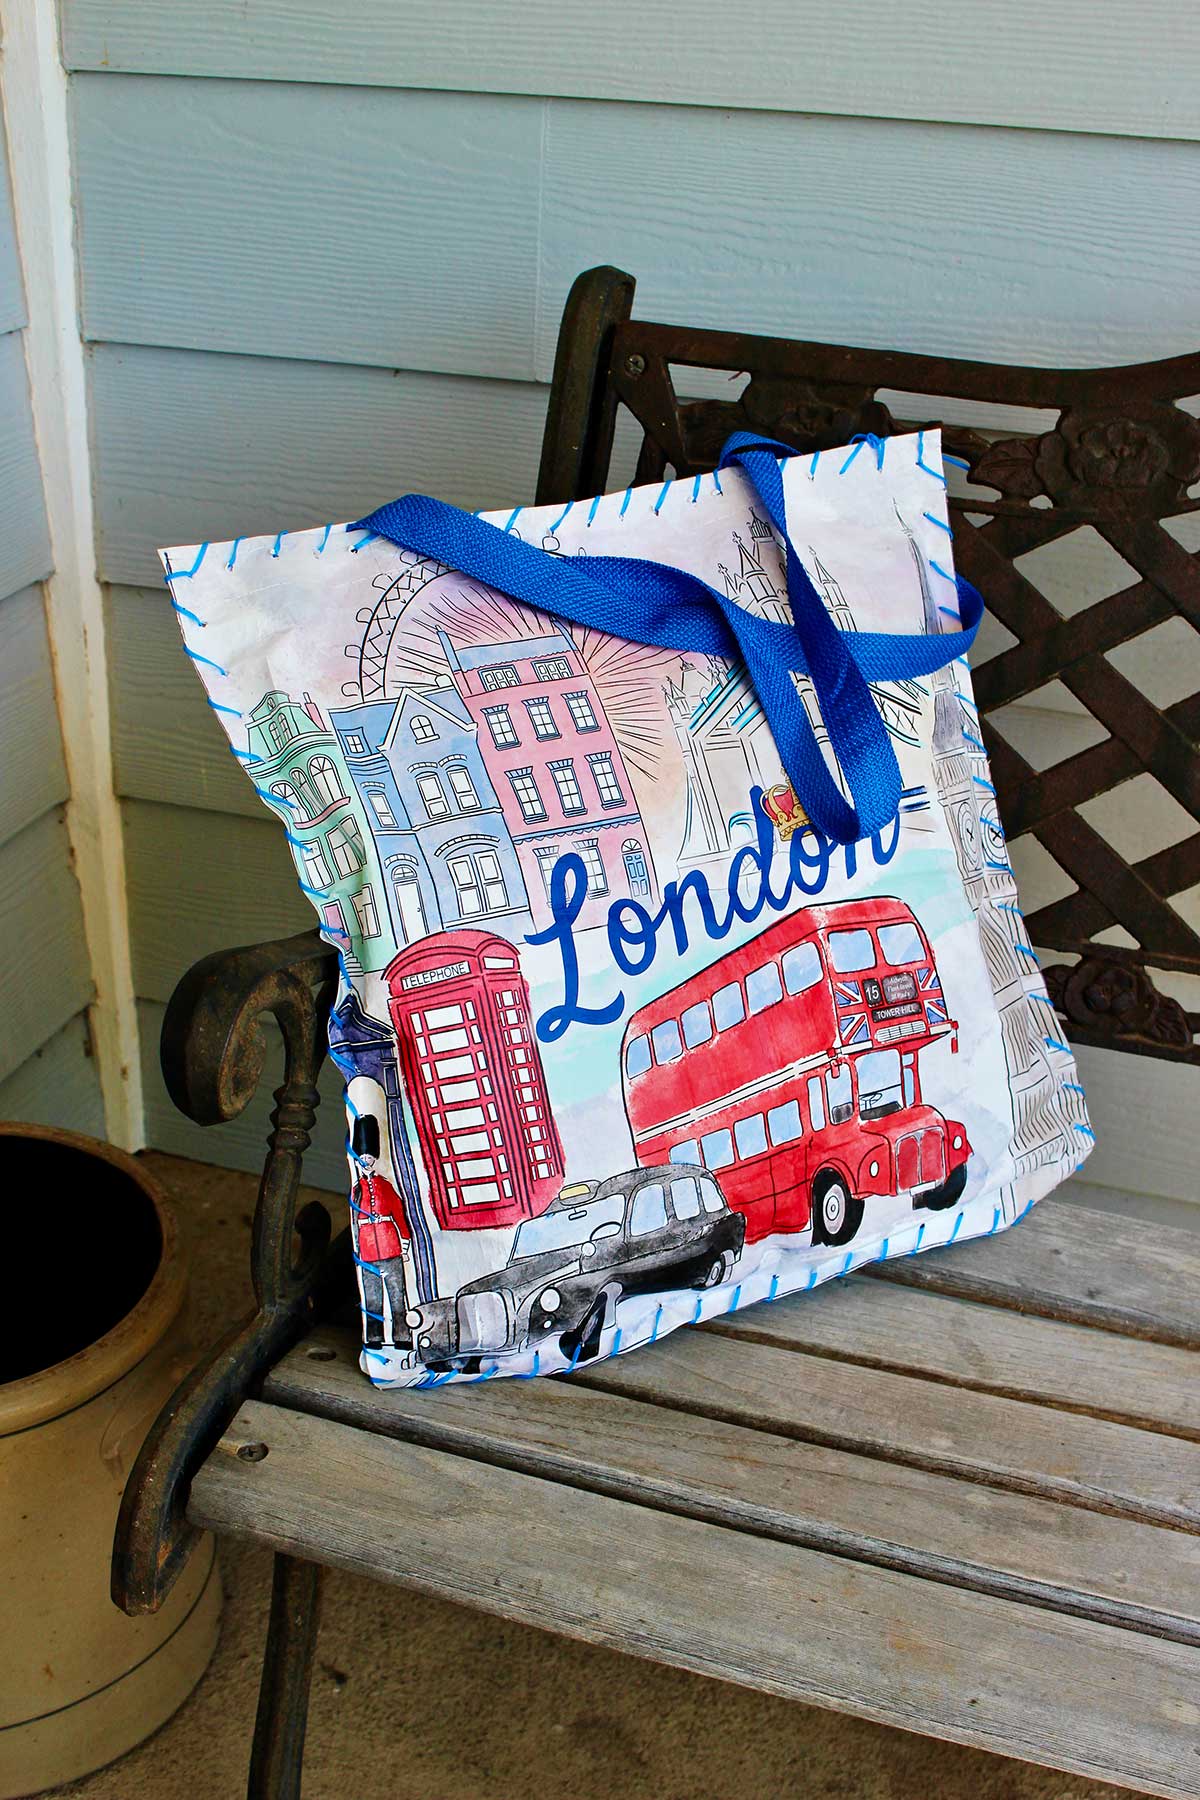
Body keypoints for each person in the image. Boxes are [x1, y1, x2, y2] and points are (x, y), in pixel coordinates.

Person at [350, 1115, 412, 1347]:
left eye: (369, 1157)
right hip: (367, 1249)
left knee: (397, 1295)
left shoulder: (384, 1185)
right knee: (373, 1296)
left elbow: (398, 1213)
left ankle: (402, 1335)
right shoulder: (357, 1190)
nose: (366, 1161)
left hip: (390, 1245)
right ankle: (374, 1336)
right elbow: (355, 1222)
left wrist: (404, 1242)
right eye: (362, 1157)